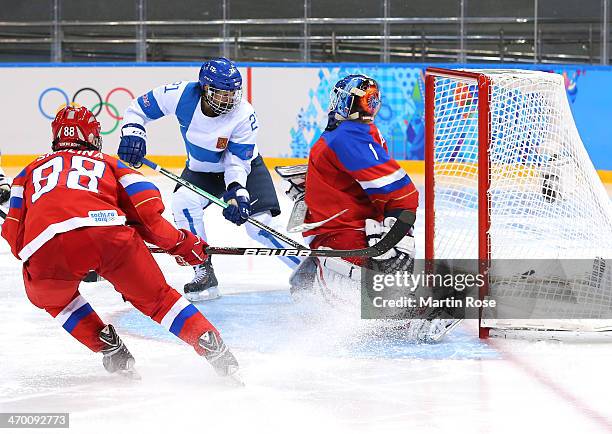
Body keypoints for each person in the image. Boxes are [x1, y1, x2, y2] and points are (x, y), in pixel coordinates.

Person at [1, 105, 239, 379]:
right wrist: (183, 244)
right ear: (92, 136)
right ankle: (210, 343)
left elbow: (14, 238)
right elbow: (147, 213)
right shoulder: (109, 163)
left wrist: (64, 252)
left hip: (45, 248)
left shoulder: (27, 172)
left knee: (55, 300)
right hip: (111, 238)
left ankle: (107, 345)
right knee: (159, 300)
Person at [286, 74, 460, 342]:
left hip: (346, 240)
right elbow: (359, 182)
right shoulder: (353, 132)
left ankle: (425, 308)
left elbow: (404, 196)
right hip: (340, 233)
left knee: (369, 322)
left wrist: (391, 245)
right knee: (310, 289)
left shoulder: (348, 136)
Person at [118, 57, 296, 302]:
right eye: (222, 94)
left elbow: (236, 162)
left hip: (245, 168)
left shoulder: (244, 114)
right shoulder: (179, 94)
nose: (230, 100)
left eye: (233, 93)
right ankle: (202, 269)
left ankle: (306, 266)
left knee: (258, 225)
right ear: (204, 88)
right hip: (202, 171)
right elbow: (138, 109)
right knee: (182, 202)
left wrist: (237, 193)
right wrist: (133, 133)